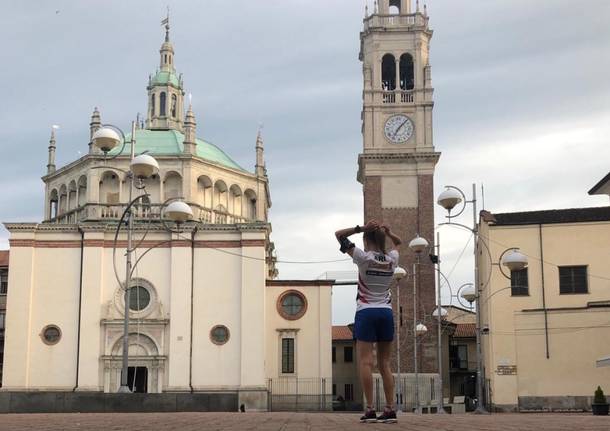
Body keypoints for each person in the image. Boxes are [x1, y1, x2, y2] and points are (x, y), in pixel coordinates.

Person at [335, 220, 402, 424]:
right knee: (385, 363)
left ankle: (371, 409)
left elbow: (338, 234)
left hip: (366, 312)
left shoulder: (362, 257)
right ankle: (390, 409)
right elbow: (399, 244)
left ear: (365, 240)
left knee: (366, 362)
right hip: (386, 312)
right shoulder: (392, 259)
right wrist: (389, 233)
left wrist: (360, 228)